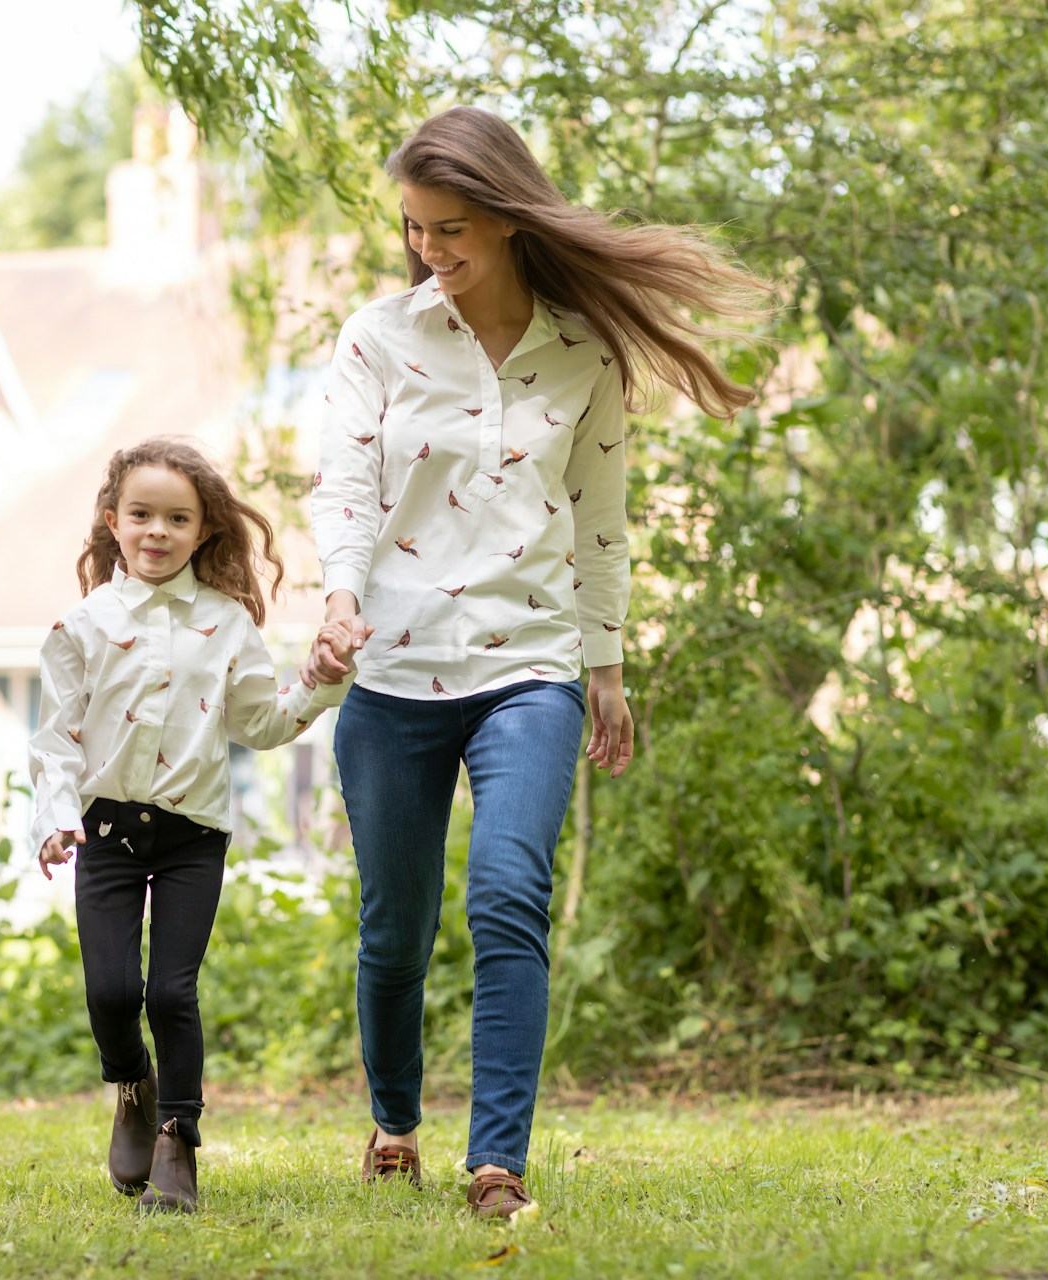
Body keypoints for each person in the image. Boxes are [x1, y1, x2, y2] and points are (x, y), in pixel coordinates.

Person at [303, 105, 764, 1218]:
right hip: (396, 666)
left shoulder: (582, 352)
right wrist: (337, 595)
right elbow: (347, 486)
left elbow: (601, 518)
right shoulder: (379, 338)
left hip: (531, 665)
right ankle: (397, 1122)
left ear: (508, 219)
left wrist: (602, 667)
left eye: (451, 229)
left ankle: (496, 1161)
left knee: (510, 892)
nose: (430, 251)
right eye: (415, 229)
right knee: (395, 926)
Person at [30, 437, 358, 1213]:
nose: (157, 532)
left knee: (171, 992)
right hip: (104, 833)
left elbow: (263, 723)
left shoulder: (228, 626)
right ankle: (134, 1088)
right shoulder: (81, 626)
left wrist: (315, 682)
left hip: (192, 838)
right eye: (141, 515)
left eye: (177, 519)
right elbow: (55, 740)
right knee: (113, 990)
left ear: (204, 530)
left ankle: (179, 1140)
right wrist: (54, 820)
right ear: (112, 521)